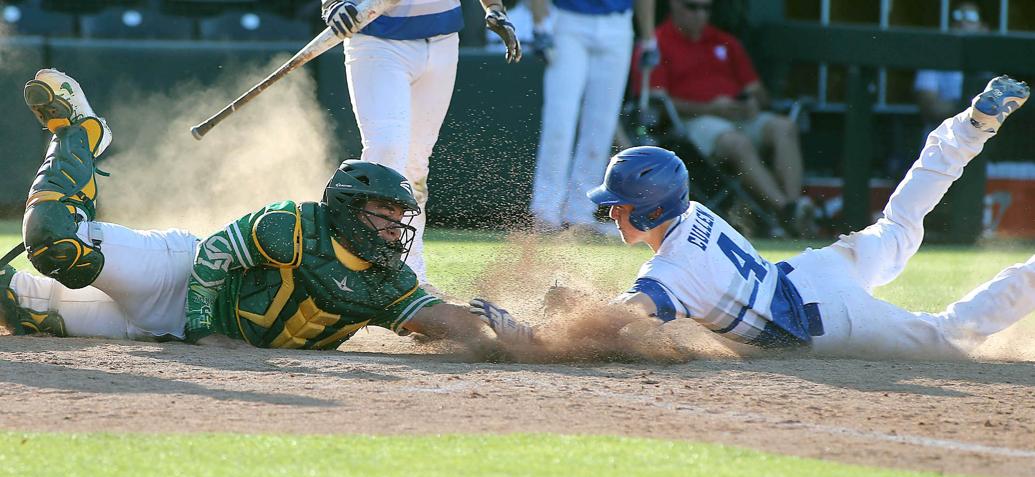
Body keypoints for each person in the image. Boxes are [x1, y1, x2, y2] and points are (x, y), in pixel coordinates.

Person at [471, 76, 1034, 360]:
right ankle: (969, 128)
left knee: (948, 338)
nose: (610, 212)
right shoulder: (692, 212)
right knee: (900, 226)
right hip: (813, 274)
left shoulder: (670, 272)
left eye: (618, 204)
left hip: (823, 317)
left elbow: (634, 309)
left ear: (650, 207)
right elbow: (680, 298)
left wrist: (541, 337)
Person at [0, 69, 495, 353]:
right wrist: (202, 331)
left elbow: (442, 321)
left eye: (399, 215)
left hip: (167, 331)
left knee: (20, 310)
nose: (395, 227)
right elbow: (214, 253)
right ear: (349, 209)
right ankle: (81, 132)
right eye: (384, 212)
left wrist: (500, 333)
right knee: (56, 241)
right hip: (178, 276)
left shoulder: (388, 280)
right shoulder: (295, 224)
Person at [321, 0, 521, 284]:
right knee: (386, 155)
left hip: (442, 40)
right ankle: (363, 271)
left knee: (414, 167)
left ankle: (412, 278)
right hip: (378, 38)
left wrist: (494, 7)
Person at [638, 0, 814, 237]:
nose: (700, 14)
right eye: (692, 7)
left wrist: (751, 100)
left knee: (784, 127)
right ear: (674, 5)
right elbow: (657, 104)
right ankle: (785, 210)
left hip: (739, 115)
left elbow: (758, 92)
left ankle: (794, 206)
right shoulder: (657, 42)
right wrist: (711, 108)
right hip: (692, 122)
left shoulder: (725, 41)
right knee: (736, 142)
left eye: (706, 8)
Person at [527, 0, 658, 235]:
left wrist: (649, 38)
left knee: (601, 126)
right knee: (559, 122)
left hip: (618, 24)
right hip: (569, 20)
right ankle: (545, 212)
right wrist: (540, 24)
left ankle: (580, 214)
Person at [914, 2, 988, 134]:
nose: (962, 23)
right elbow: (931, 108)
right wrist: (970, 107)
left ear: (983, 27)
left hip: (981, 145)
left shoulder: (991, 62)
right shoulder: (934, 58)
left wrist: (954, 106)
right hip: (941, 143)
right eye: (957, 17)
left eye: (971, 18)